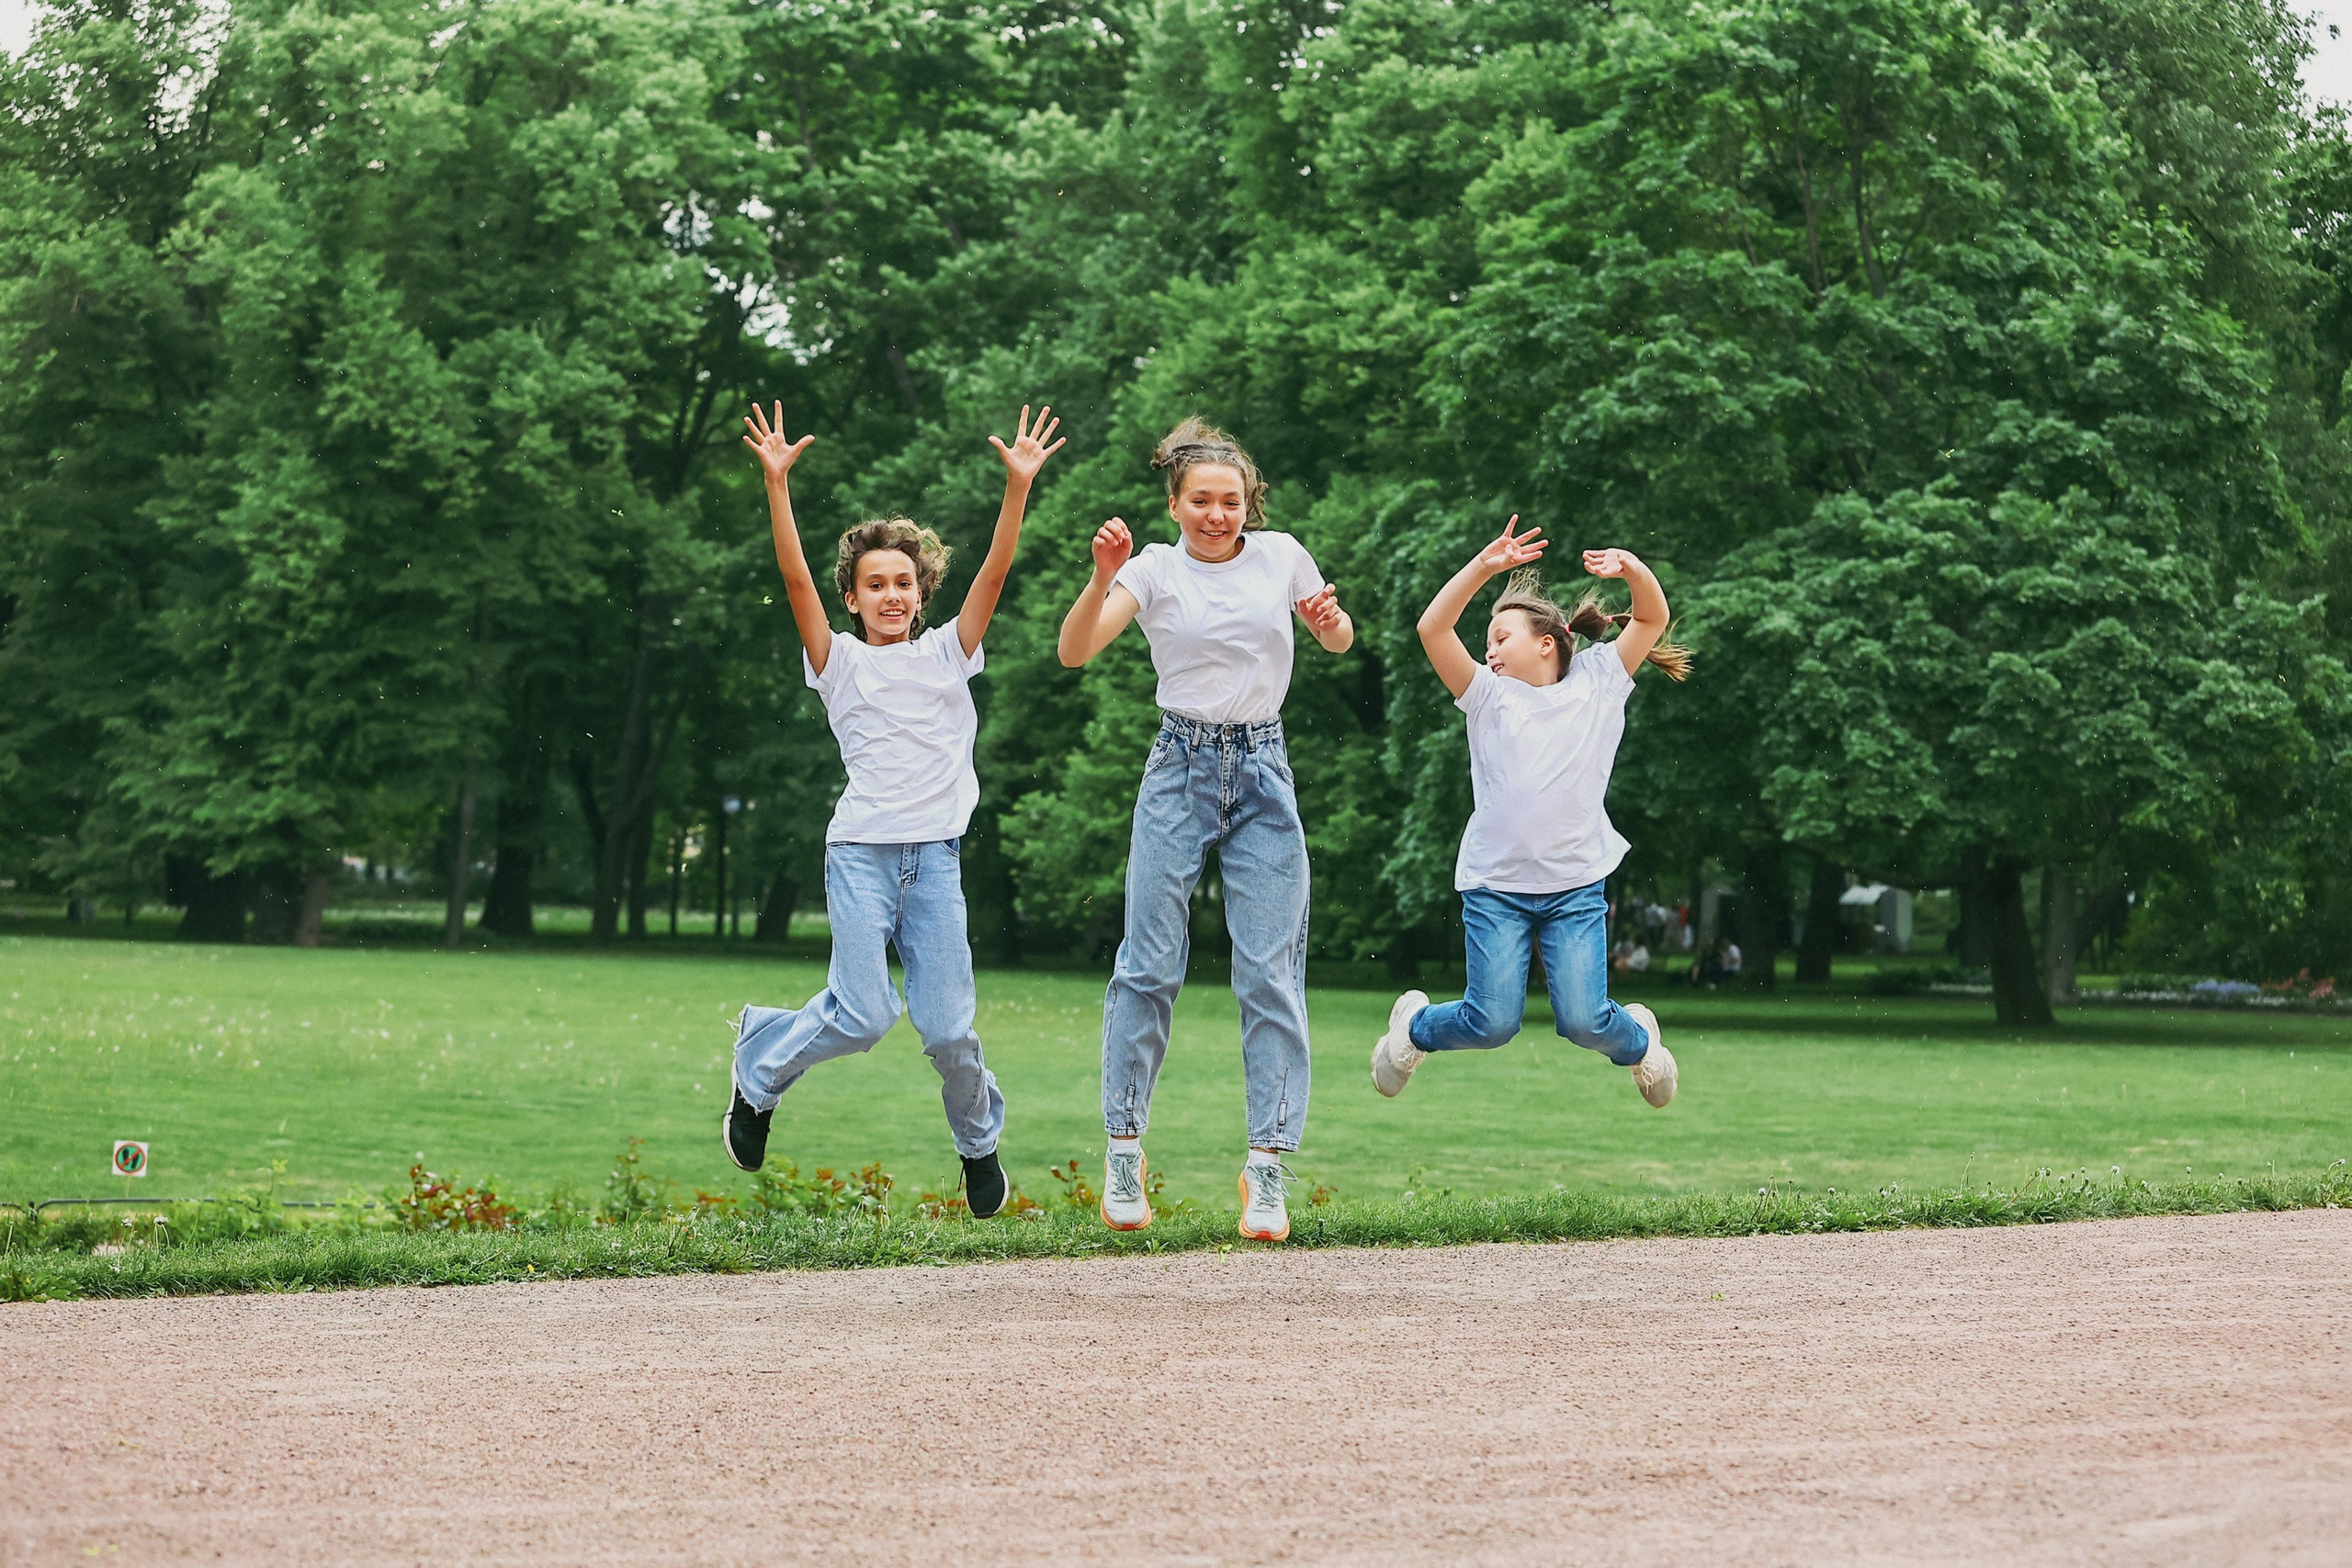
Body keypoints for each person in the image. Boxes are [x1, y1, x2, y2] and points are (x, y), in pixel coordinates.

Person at [722, 400, 1065, 1219]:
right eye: (874, 584)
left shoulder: (950, 652)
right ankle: (759, 1071)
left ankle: (978, 1144)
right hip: (861, 857)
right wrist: (777, 485)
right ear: (851, 597)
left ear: (922, 592)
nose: (891, 595)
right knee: (866, 1012)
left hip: (935, 862)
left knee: (948, 1029)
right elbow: (794, 579)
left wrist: (1017, 488)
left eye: (903, 583)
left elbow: (994, 575)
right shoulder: (837, 662)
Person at [1057, 417, 1351, 1242]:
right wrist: (1101, 577)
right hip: (1178, 767)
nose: (1218, 514)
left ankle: (1267, 1167)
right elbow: (1076, 650)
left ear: (1249, 502)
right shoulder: (1151, 568)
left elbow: (1337, 638)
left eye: (1231, 500)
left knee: (1270, 972)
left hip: (1264, 767)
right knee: (1148, 965)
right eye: (1201, 501)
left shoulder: (1282, 555)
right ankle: (1124, 1150)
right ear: (1176, 504)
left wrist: (1328, 621)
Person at [1371, 516, 1690, 1110]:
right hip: (1496, 885)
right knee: (1491, 1022)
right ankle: (1412, 1028)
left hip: (1575, 884)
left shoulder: (1599, 678)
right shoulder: (1485, 696)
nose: (1488, 650)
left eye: (1500, 637)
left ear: (1547, 643)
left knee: (1585, 1020)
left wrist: (1632, 568)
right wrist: (1483, 567)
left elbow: (1651, 618)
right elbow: (1432, 628)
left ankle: (1643, 1045)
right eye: (1486, 642)